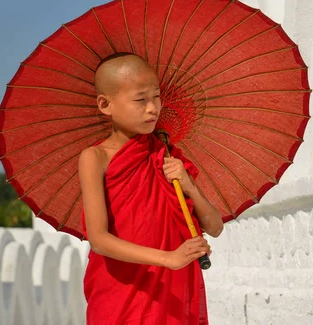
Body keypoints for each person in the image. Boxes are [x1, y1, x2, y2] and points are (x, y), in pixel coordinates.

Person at [78, 53, 224, 325]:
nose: (152, 108)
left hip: (174, 289)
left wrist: (188, 185)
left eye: (156, 96)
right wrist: (168, 258)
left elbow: (215, 227)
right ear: (105, 104)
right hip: (122, 289)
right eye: (140, 99)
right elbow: (98, 239)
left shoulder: (167, 155)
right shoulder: (95, 158)